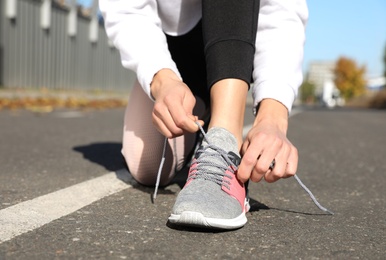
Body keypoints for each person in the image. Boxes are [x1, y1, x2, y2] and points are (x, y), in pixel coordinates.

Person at [99, 0, 309, 229]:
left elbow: (281, 13)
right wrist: (162, 79)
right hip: (174, 56)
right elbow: (126, 10)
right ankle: (205, 107)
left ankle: (224, 136)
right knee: (147, 164)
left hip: (238, 46)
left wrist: (272, 116)